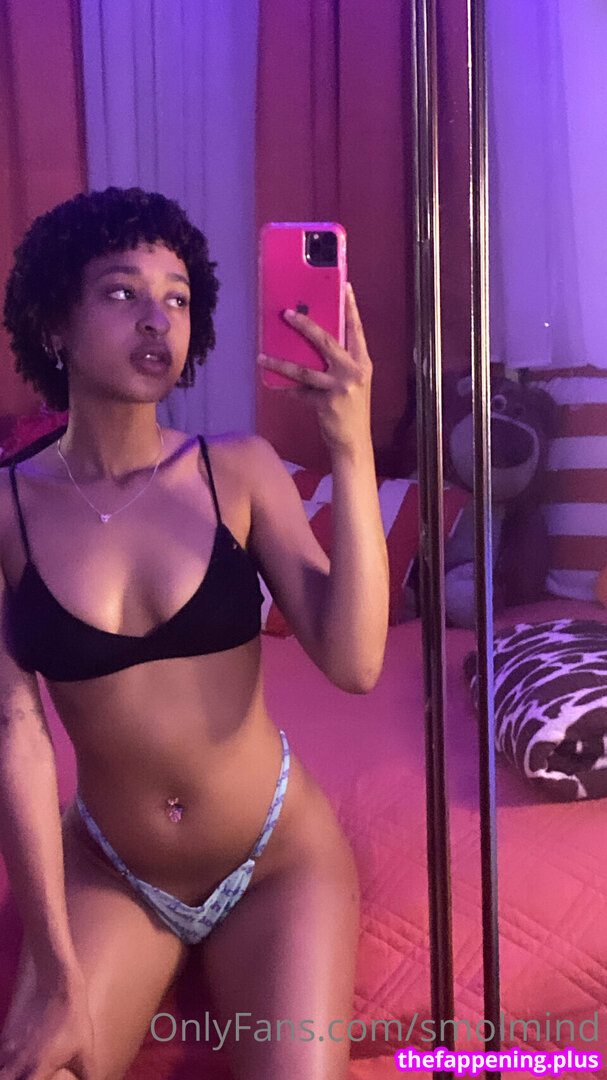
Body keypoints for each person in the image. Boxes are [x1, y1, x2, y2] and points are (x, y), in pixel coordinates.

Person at [0, 187, 389, 1080]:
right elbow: (14, 734)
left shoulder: (238, 469)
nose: (156, 319)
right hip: (112, 869)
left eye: (176, 298)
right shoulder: (8, 512)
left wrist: (350, 443)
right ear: (55, 322)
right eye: (122, 292)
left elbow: (357, 661)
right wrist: (54, 966)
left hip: (275, 860)